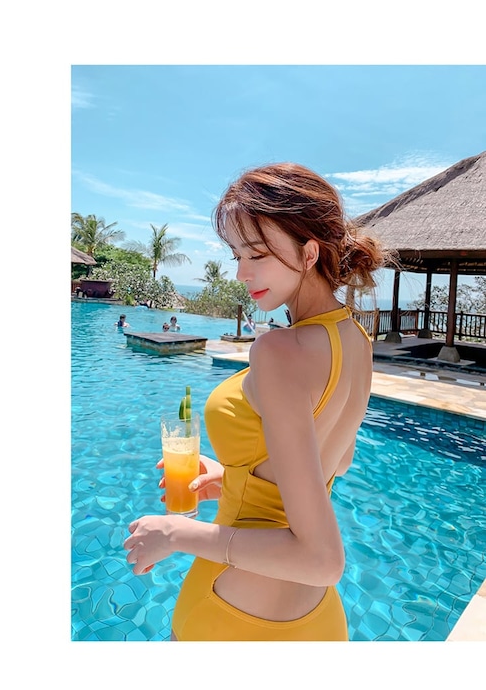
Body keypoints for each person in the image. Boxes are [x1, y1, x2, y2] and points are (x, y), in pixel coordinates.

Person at [124, 162, 389, 641]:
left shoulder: (279, 350)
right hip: (319, 621)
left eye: (258, 254)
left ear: (309, 252)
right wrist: (234, 478)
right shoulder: (356, 340)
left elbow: (322, 560)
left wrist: (176, 535)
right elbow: (335, 460)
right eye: (237, 255)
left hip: (233, 613)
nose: (242, 273)